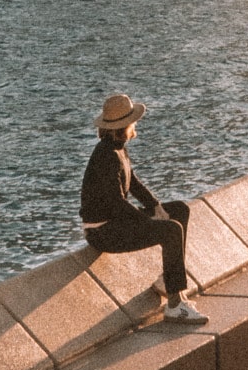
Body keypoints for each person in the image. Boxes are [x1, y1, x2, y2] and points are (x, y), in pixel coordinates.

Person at [80, 93, 207, 325]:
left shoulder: (117, 147)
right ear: (125, 125)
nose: (135, 124)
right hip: (103, 232)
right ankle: (175, 304)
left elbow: (134, 183)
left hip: (115, 221)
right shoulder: (106, 156)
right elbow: (116, 203)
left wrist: (155, 206)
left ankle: (165, 282)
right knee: (170, 230)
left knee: (178, 211)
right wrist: (146, 222)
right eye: (132, 121)